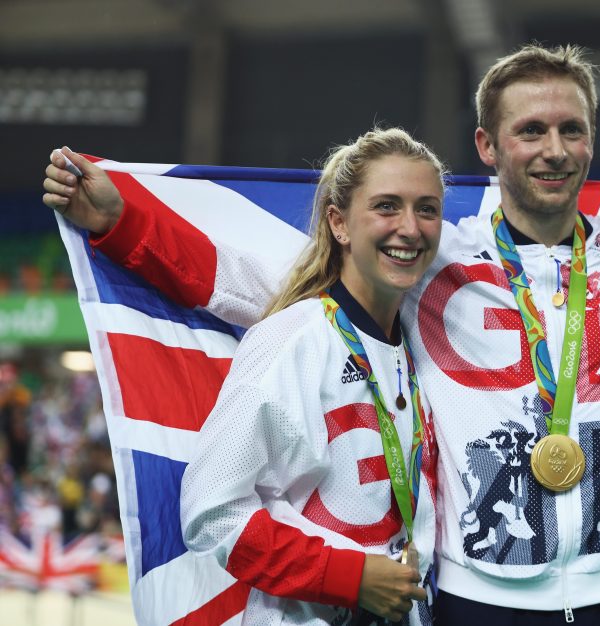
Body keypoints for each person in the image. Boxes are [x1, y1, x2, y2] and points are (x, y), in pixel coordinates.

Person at [43, 45, 600, 626]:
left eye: (571, 129)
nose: (554, 148)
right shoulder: (436, 254)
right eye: (531, 130)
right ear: (489, 147)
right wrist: (119, 224)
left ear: (593, 143)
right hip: (480, 604)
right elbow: (265, 287)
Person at [46, 128, 447, 625]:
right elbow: (211, 512)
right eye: (387, 206)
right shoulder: (292, 338)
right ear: (339, 224)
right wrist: (347, 577)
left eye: (427, 209)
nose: (410, 227)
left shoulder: (425, 342)